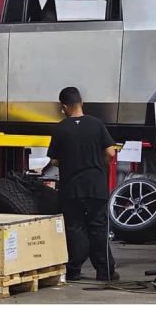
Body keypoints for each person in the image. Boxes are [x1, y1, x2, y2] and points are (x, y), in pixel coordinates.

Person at [46, 87, 119, 282]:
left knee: (75, 228)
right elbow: (111, 152)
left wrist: (69, 160)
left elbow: (54, 160)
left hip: (72, 188)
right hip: (96, 186)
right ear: (81, 102)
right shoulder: (96, 125)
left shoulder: (61, 129)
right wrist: (97, 162)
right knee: (98, 227)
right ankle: (105, 272)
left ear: (64, 107)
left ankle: (73, 270)